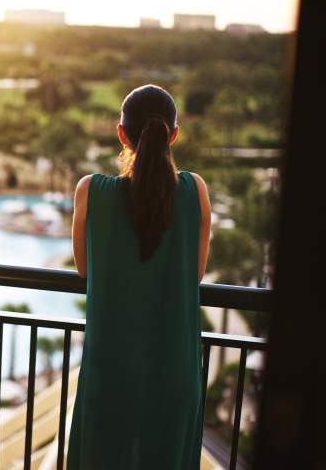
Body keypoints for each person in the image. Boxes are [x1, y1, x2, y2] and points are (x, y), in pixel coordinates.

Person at [67, 84, 211, 469]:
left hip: (111, 369)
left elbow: (84, 267)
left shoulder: (91, 192)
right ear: (174, 136)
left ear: (121, 134)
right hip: (175, 371)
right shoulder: (195, 190)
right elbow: (195, 273)